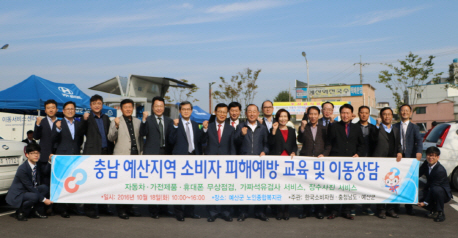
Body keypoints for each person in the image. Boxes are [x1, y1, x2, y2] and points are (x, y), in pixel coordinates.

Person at [77, 94, 115, 219]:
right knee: (91, 183)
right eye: (94, 103)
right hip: (92, 154)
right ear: (90, 105)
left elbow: (110, 135)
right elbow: (80, 133)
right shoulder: (87, 117)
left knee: (104, 183)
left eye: (99, 103)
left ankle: (103, 207)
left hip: (106, 153)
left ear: (102, 104)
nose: (97, 105)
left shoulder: (105, 118)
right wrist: (84, 119)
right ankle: (90, 209)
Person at [325, 104, 365, 220]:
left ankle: (347, 210)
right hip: (336, 162)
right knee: (335, 187)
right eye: (343, 113)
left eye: (347, 113)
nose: (345, 115)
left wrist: (359, 153)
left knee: (349, 187)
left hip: (351, 163)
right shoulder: (335, 126)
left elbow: (362, 144)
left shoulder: (357, 128)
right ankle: (334, 210)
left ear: (352, 115)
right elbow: (329, 141)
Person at [107, 99, 143, 219]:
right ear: (121, 109)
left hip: (135, 157)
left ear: (133, 108)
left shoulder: (138, 122)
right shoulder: (116, 121)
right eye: (125, 107)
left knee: (132, 185)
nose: (128, 109)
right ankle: (121, 210)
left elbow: (140, 140)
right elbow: (110, 137)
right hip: (121, 157)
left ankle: (130, 208)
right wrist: (116, 126)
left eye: (130, 107)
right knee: (121, 185)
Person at [168, 101, 203, 221]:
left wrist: (204, 129)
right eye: (184, 109)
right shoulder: (175, 124)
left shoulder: (194, 124)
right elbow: (171, 140)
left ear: (191, 111)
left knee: (191, 186)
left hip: (193, 158)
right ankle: (179, 212)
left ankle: (190, 211)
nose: (186, 111)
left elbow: (200, 141)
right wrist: (175, 127)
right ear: (180, 111)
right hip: (180, 159)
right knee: (179, 186)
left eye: (188, 109)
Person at [140, 96, 174, 219]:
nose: (159, 108)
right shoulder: (148, 120)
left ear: (164, 107)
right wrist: (143, 120)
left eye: (161, 106)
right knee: (153, 183)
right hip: (152, 155)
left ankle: (164, 208)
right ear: (152, 107)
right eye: (156, 106)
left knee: (165, 183)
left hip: (166, 154)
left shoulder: (169, 121)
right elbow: (142, 133)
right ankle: (153, 209)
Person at [234, 104, 269, 221]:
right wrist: (241, 135)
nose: (252, 114)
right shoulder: (240, 126)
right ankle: (243, 212)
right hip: (244, 163)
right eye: (249, 111)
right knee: (244, 187)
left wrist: (264, 151)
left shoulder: (263, 128)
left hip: (259, 164)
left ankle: (260, 212)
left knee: (260, 187)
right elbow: (235, 143)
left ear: (258, 113)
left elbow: (267, 144)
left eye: (254, 111)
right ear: (246, 113)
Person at [202, 103, 236, 222]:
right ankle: (212, 212)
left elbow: (232, 147)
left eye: (224, 112)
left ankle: (226, 212)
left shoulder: (231, 129)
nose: (222, 114)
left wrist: (232, 162)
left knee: (225, 188)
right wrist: (204, 130)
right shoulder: (208, 127)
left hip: (226, 164)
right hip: (211, 164)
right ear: (215, 112)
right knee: (211, 187)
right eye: (220, 111)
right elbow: (201, 141)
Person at [51, 101, 84, 218]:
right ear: (63, 111)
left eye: (72, 109)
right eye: (68, 109)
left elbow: (79, 141)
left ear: (75, 111)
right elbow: (53, 139)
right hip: (62, 157)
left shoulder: (78, 124)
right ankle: (62, 208)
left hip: (75, 156)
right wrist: (58, 129)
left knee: (74, 182)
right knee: (62, 183)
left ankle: (73, 206)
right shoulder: (58, 123)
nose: (70, 111)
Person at [297, 106, 330, 219]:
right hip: (306, 161)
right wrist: (301, 127)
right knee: (306, 186)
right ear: (308, 115)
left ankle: (319, 210)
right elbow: (300, 140)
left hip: (319, 161)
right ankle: (306, 210)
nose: (313, 116)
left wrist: (324, 154)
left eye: (315, 114)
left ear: (319, 115)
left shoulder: (324, 128)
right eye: (311, 114)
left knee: (319, 187)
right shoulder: (304, 127)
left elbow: (328, 144)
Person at [6, 144, 53, 221]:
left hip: (29, 190)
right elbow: (29, 187)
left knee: (44, 188)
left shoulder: (37, 164)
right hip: (19, 193)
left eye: (37, 153)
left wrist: (49, 161)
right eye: (33, 153)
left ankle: (36, 211)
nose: (36, 155)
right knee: (34, 196)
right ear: (27, 155)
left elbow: (45, 171)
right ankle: (21, 212)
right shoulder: (22, 169)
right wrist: (44, 200)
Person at [372, 107, 403, 219]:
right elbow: (373, 140)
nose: (387, 116)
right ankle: (380, 209)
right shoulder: (376, 128)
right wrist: (376, 126)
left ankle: (390, 209)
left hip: (392, 162)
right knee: (380, 185)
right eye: (384, 114)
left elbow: (398, 144)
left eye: (389, 114)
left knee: (391, 186)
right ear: (381, 116)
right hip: (380, 161)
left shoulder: (395, 129)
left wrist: (400, 152)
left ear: (392, 116)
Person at [393, 104, 423, 215]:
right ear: (400, 112)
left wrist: (419, 151)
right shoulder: (395, 126)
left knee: (410, 182)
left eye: (407, 111)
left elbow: (419, 141)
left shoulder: (414, 127)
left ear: (410, 113)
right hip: (397, 158)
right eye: (402, 110)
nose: (404, 112)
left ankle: (408, 205)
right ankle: (395, 205)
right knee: (396, 181)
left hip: (410, 157)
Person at [268, 109, 297, 221]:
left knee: (288, 187)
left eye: (285, 116)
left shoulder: (291, 130)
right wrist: (274, 131)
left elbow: (294, 145)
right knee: (278, 187)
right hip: (277, 163)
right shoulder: (273, 129)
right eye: (281, 116)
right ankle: (278, 210)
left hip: (289, 163)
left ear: (288, 118)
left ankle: (286, 210)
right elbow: (270, 144)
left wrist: (294, 152)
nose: (283, 119)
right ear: (277, 118)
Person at [417, 147, 453, 222]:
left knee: (436, 189)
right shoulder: (426, 164)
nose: (431, 158)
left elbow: (434, 187)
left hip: (442, 193)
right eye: (429, 155)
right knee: (415, 197)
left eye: (433, 156)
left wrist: (425, 203)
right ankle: (434, 210)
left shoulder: (440, 170)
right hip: (431, 189)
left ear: (437, 157)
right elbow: (417, 174)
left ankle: (441, 213)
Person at [357, 105, 377, 216]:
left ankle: (367, 206)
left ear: (369, 114)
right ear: (359, 113)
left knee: (368, 185)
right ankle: (352, 207)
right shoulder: (354, 127)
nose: (364, 114)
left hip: (370, 159)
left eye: (366, 113)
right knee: (354, 184)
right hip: (356, 159)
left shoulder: (373, 128)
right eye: (362, 112)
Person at [33, 99, 58, 186]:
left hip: (58, 156)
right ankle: (45, 199)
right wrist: (38, 124)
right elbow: (36, 137)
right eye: (48, 108)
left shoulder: (61, 122)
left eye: (53, 107)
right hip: (44, 157)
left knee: (58, 181)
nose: (51, 110)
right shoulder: (41, 122)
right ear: (45, 110)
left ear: (57, 109)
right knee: (44, 182)